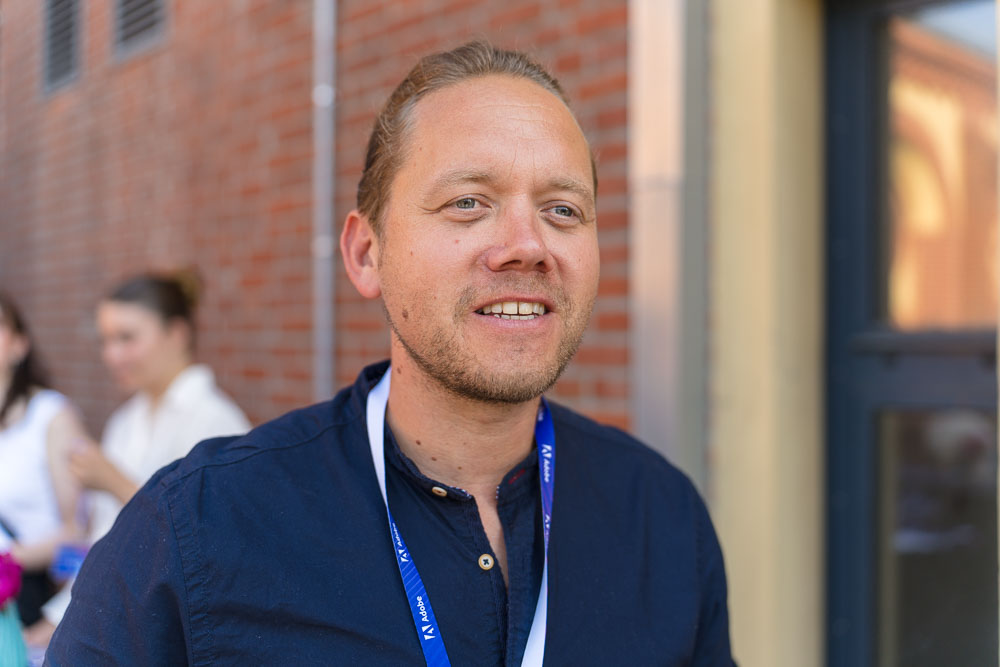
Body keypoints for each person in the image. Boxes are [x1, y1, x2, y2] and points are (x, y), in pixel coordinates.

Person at [48, 42, 734, 665]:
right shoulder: (196, 530)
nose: (527, 245)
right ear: (365, 253)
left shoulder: (663, 520)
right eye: (469, 202)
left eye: (563, 210)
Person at [26, 273, 250, 649]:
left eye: (127, 338)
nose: (111, 355)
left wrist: (114, 482)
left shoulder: (216, 422)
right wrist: (55, 618)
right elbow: (102, 542)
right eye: (105, 341)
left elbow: (214, 547)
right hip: (110, 627)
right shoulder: (124, 421)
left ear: (177, 334)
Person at [0, 292, 86, 629]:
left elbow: (78, 533)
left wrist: (59, 617)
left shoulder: (51, 416)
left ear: (20, 345)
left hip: (26, 597)